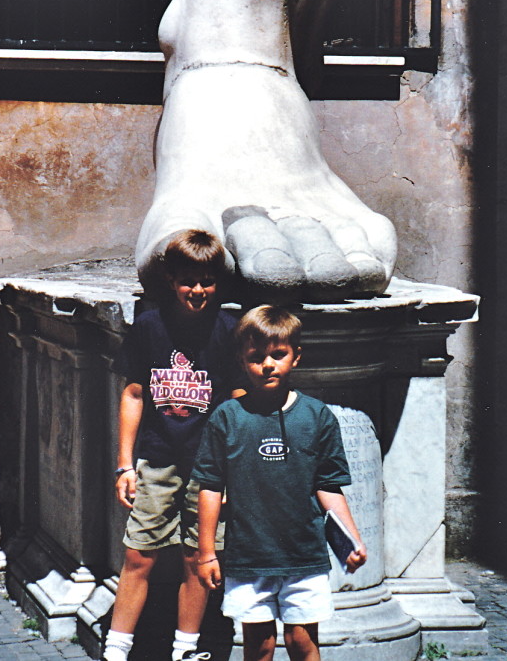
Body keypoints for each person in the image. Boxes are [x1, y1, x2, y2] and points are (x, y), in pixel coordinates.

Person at [191, 305, 367, 661]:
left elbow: (329, 485)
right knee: (259, 645)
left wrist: (352, 537)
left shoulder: (317, 416)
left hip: (303, 555)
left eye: (278, 354)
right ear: (241, 360)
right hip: (248, 555)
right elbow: (209, 486)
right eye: (256, 357)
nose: (267, 364)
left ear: (296, 357)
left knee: (302, 641)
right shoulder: (227, 417)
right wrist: (207, 552)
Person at [104, 229, 243, 661]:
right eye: (188, 281)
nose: (197, 291)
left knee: (197, 557)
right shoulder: (149, 327)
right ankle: (116, 650)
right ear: (170, 279)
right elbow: (133, 395)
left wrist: (234, 465)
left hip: (209, 467)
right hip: (158, 458)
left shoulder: (228, 329)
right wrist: (124, 465)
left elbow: (239, 398)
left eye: (207, 282)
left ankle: (186, 649)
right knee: (139, 555)